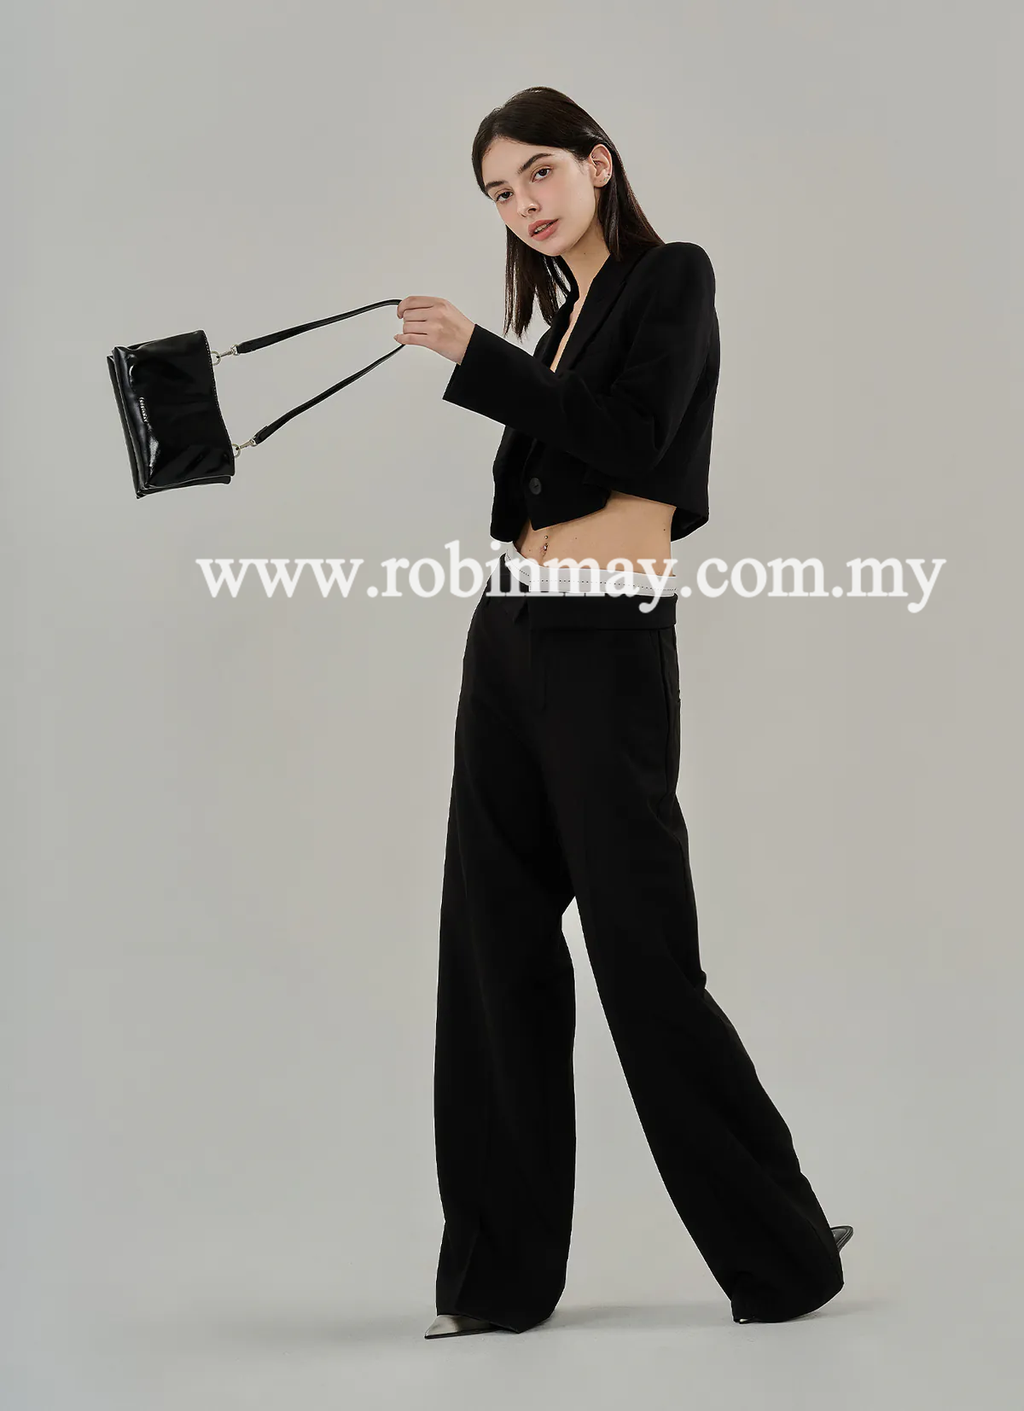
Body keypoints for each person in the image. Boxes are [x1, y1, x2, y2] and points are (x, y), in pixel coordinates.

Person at [394, 86, 852, 1341]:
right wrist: (506, 364)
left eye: (539, 173)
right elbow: (536, 484)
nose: (523, 205)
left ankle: (783, 1252)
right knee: (491, 950)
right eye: (499, 192)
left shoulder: (669, 280)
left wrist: (474, 359)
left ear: (598, 163)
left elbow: (639, 441)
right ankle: (495, 1284)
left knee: (642, 959)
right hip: (509, 633)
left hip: (605, 643)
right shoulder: (556, 324)